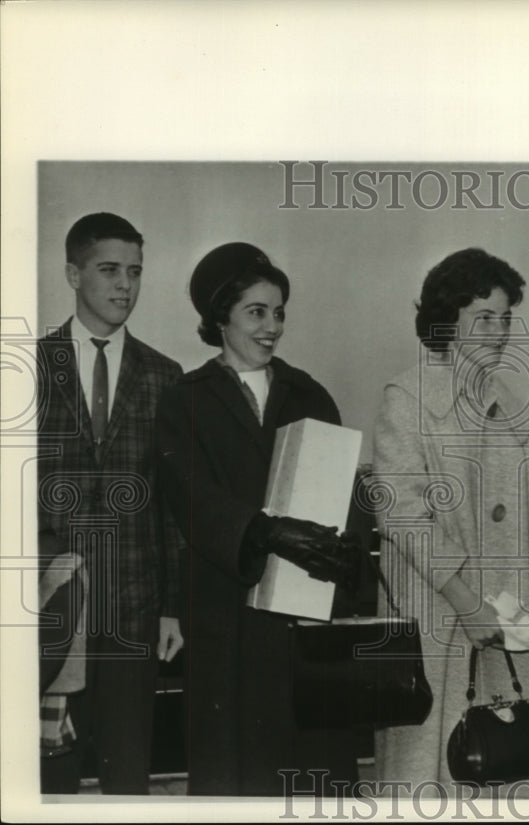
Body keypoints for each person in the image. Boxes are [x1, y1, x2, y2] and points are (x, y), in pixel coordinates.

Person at [155, 242, 364, 796]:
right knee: (237, 776)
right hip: (229, 623)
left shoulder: (309, 394)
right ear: (219, 317)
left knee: (313, 779)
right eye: (256, 312)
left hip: (305, 626)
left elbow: (345, 494)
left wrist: (343, 540)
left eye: (278, 312)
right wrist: (266, 531)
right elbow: (190, 498)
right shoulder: (185, 401)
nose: (272, 326)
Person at [372, 248, 529, 797]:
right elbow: (401, 512)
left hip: (511, 626)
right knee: (434, 781)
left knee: (511, 774)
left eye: (504, 318)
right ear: (446, 320)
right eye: (483, 318)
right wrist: (465, 599)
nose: (498, 332)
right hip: (439, 628)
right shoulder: (406, 398)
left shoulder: (516, 405)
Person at [36, 212, 185, 794]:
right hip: (49, 602)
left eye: (135, 272)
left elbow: (172, 505)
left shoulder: (164, 376)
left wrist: (171, 606)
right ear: (74, 274)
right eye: (109, 270)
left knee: (129, 767)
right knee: (51, 766)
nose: (125, 285)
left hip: (133, 601)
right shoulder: (29, 368)